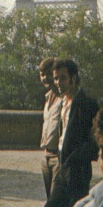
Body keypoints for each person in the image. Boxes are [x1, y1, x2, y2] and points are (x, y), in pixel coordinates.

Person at [37, 58, 99, 207]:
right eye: (56, 78)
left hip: (78, 169)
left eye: (62, 78)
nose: (59, 83)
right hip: (63, 168)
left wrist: (74, 158)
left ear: (74, 78)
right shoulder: (61, 103)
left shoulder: (87, 104)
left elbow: (94, 142)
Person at [37, 57, 62, 199]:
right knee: (49, 197)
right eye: (42, 75)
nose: (45, 78)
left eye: (48, 74)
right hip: (46, 155)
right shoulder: (47, 99)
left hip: (58, 157)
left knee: (55, 200)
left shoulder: (64, 98)